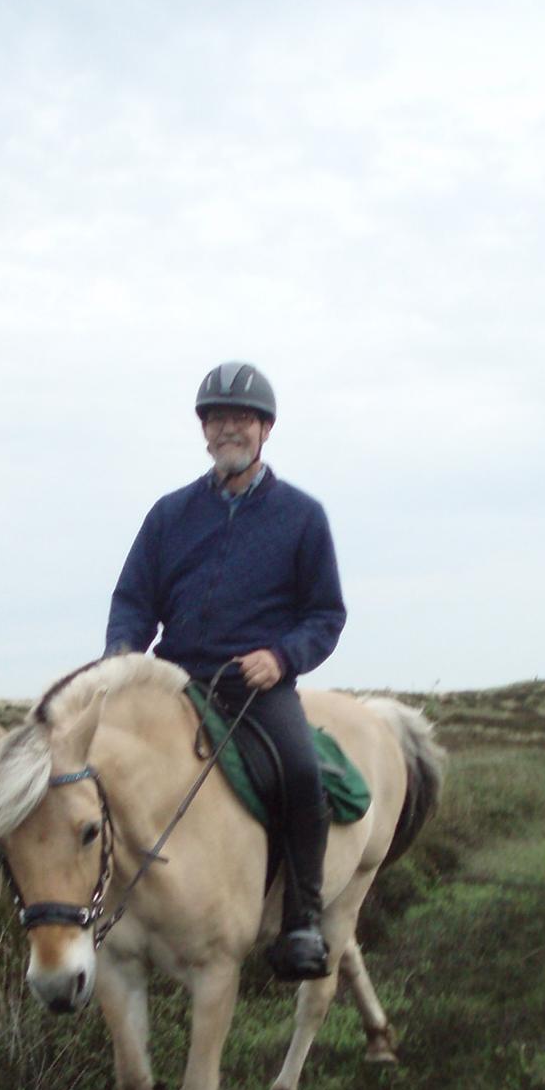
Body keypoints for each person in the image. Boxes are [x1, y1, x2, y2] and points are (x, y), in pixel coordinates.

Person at [104, 361, 346, 980]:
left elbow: (324, 615)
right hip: (176, 681)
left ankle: (301, 923)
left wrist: (283, 658)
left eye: (241, 418)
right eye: (216, 418)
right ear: (203, 431)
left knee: (300, 775)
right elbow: (134, 600)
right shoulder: (169, 515)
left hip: (255, 688)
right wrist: (123, 654)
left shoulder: (302, 517)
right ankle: (105, 916)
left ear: (266, 429)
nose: (227, 429)